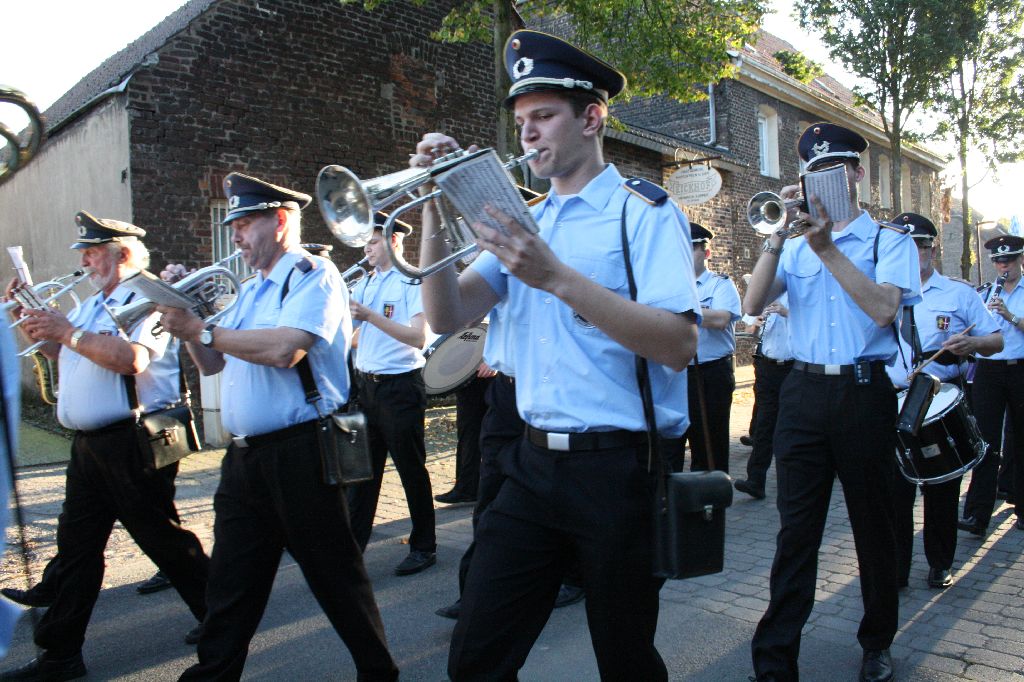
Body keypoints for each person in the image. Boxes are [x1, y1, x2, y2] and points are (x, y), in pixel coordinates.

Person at [415, 30, 700, 680]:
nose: (528, 133)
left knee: (625, 659)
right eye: (522, 120)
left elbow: (679, 344)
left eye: (543, 116)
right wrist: (433, 207)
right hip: (529, 463)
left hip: (618, 470)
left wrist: (557, 278)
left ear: (591, 118)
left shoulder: (644, 212)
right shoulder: (527, 219)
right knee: (476, 658)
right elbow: (447, 315)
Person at [157, 173, 397, 681]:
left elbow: (286, 349)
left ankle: (378, 672)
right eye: (234, 225)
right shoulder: (249, 291)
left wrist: (202, 328)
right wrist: (187, 320)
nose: (236, 236)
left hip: (301, 451)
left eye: (245, 223)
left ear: (280, 221)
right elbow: (212, 364)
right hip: (245, 459)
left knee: (335, 578)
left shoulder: (313, 274)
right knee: (230, 584)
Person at [744, 122, 921, 682]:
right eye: (814, 172)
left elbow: (884, 311)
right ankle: (775, 662)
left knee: (873, 526)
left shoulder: (888, 241)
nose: (825, 180)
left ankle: (876, 642)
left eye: (836, 169)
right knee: (796, 532)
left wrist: (827, 248)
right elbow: (752, 302)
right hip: (802, 392)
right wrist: (778, 236)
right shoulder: (795, 246)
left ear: (857, 174)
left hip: (864, 393)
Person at [0, 212, 210, 681]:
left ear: (123, 254)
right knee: (76, 549)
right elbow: (64, 351)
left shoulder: (149, 298)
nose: (85, 262)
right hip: (90, 446)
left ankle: (222, 615)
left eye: (93, 253)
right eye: (85, 254)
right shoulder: (95, 303)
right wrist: (32, 322)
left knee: (163, 541)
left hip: (131, 441)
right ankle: (60, 656)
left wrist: (66, 331)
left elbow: (132, 360)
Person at [884, 213, 1001, 588]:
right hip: (889, 399)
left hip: (937, 399)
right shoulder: (879, 292)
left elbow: (995, 340)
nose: (914, 254)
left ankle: (940, 563)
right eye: (905, 247)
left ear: (932, 249)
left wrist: (972, 344)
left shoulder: (958, 294)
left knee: (942, 488)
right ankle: (896, 569)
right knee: (895, 491)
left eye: (921, 246)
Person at [345, 214, 436, 576]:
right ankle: (351, 551)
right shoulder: (365, 282)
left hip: (400, 387)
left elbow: (418, 338)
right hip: (366, 387)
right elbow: (349, 333)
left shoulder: (412, 280)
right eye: (365, 243)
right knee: (362, 476)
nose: (366, 249)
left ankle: (424, 547)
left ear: (394, 240)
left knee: (411, 470)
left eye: (373, 241)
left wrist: (370, 317)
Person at [959, 234, 1024, 535]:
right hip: (989, 371)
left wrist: (1010, 316)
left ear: (1020, 260)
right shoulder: (985, 293)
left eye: (1008, 261)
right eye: (998, 261)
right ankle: (977, 513)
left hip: (1020, 369)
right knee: (985, 441)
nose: (1003, 266)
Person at [679, 223, 740, 473]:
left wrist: (680, 312)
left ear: (706, 253)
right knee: (670, 445)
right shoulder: (670, 286)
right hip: (676, 374)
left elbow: (721, 319)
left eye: (692, 249)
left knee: (710, 447)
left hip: (710, 374)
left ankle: (711, 495)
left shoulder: (720, 285)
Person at [734, 292, 793, 500]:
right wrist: (757, 324)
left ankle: (792, 482)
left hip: (794, 368)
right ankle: (755, 480)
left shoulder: (800, 292)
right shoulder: (766, 294)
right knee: (764, 425)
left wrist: (787, 313)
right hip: (767, 367)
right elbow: (750, 331)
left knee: (792, 427)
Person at [434, 363, 494, 506]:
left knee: (496, 435)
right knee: (467, 432)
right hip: (468, 373)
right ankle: (466, 488)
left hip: (497, 375)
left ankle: (498, 491)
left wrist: (495, 362)